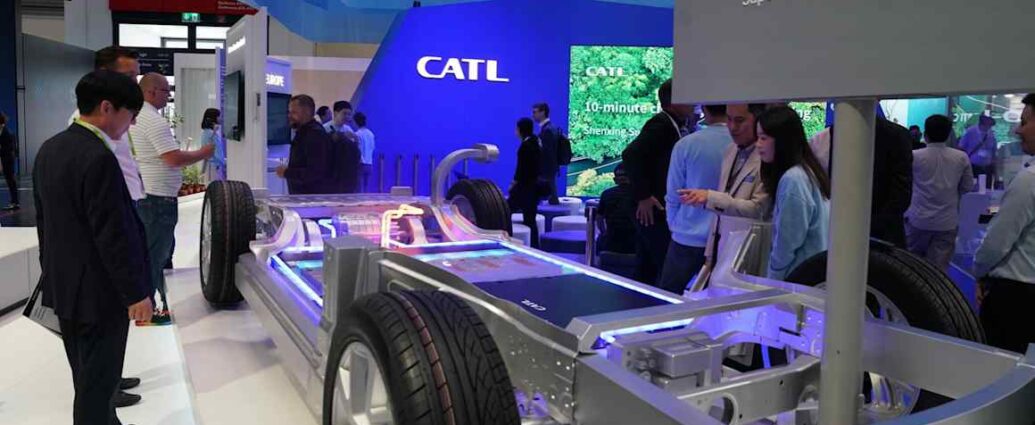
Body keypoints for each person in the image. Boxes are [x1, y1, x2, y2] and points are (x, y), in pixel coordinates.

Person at [34, 70, 154, 425]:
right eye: (130, 115)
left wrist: (51, 276)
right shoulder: (98, 157)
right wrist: (136, 293)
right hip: (99, 294)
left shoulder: (50, 148)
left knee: (86, 375)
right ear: (106, 108)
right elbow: (113, 235)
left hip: (65, 287)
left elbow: (44, 225)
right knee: (97, 386)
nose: (131, 124)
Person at [68, 45, 146, 409]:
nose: (134, 81)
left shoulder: (68, 142)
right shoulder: (92, 144)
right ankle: (103, 390)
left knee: (101, 351)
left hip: (86, 264)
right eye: (128, 75)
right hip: (97, 269)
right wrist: (135, 292)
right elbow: (107, 233)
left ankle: (108, 382)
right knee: (98, 350)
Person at [130, 72, 214, 324]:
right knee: (156, 254)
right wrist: (205, 152)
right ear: (151, 91)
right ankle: (149, 311)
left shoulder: (140, 116)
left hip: (153, 196)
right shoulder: (152, 121)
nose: (169, 95)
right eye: (166, 91)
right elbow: (173, 158)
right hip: (158, 199)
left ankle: (160, 305)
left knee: (159, 252)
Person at [973, 94, 1035, 353]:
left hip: (1016, 301)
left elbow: (997, 243)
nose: (1018, 130)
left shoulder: (1029, 180)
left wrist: (979, 271)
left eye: (1025, 122)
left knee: (1002, 368)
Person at [679, 104, 771, 269]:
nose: (733, 127)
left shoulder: (768, 157)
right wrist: (709, 255)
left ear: (758, 121)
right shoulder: (731, 150)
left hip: (749, 254)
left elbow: (758, 210)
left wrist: (711, 197)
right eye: (729, 119)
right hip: (720, 249)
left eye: (740, 120)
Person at [621, 79, 694, 286]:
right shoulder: (661, 125)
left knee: (647, 265)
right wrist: (643, 196)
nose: (693, 103)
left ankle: (640, 302)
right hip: (650, 205)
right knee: (662, 261)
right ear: (674, 101)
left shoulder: (672, 124)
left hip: (653, 204)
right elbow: (631, 154)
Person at [658, 105, 733, 294]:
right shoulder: (742, 145)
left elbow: (674, 192)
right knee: (717, 299)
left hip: (687, 235)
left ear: (704, 110)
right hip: (727, 239)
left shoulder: (686, 144)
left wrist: (674, 225)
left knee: (668, 297)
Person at [809, 112, 913, 248]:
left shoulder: (896, 136)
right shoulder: (821, 139)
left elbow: (901, 195)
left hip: (879, 238)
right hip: (838, 233)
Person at [756, 106, 830, 280]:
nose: (758, 144)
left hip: (797, 279)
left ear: (782, 140)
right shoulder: (808, 171)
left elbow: (787, 244)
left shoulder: (793, 179)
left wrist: (772, 279)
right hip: (811, 275)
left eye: (763, 138)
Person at [905, 115, 974, 271]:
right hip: (947, 222)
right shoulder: (961, 157)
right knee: (938, 272)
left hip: (918, 219)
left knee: (911, 267)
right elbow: (967, 186)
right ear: (949, 134)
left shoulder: (914, 156)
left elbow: (907, 183)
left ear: (925, 134)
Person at [276, 95, 339, 194]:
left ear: (307, 112)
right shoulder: (304, 133)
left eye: (294, 112)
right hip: (303, 197)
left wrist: (287, 172)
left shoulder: (315, 135)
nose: (289, 116)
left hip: (312, 198)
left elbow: (315, 172)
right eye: (289, 112)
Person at [509, 117, 542, 248]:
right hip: (533, 187)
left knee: (506, 210)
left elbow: (521, 168)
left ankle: (507, 240)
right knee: (530, 219)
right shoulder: (536, 142)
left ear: (520, 129)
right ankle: (535, 246)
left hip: (524, 187)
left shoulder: (525, 146)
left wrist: (514, 183)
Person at [596, 163, 637, 255]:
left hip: (611, 244)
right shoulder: (642, 197)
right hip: (635, 246)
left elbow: (599, 218)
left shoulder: (606, 194)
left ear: (615, 180)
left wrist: (604, 233)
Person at [533, 102, 561, 204]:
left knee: (551, 198)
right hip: (549, 169)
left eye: (535, 112)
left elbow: (548, 153)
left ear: (542, 112)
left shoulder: (547, 130)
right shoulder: (551, 128)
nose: (533, 115)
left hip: (546, 170)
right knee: (552, 196)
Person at [958, 115, 998, 183]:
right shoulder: (971, 131)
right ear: (981, 124)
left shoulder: (991, 133)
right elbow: (961, 146)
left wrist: (993, 162)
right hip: (973, 166)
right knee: (972, 185)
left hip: (987, 167)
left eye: (990, 126)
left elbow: (993, 148)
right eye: (987, 125)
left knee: (986, 185)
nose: (988, 128)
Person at [200, 108, 225, 181]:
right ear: (214, 118)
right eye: (219, 116)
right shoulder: (209, 133)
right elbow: (208, 147)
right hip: (211, 165)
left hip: (213, 165)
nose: (221, 118)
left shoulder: (208, 132)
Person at [355, 112, 376, 192]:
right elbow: (372, 147)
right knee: (367, 188)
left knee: (359, 188)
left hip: (360, 163)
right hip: (369, 162)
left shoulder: (357, 134)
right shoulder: (371, 134)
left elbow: (357, 149)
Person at [0, 112, 17, 210]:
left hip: (7, 160)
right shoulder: (3, 131)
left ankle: (15, 202)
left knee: (11, 181)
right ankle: (14, 201)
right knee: (10, 181)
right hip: (5, 159)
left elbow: (9, 148)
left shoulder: (5, 132)